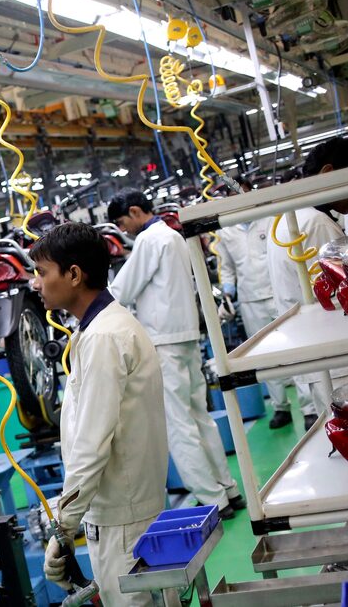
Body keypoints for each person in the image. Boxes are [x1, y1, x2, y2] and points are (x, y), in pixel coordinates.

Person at [29, 222, 166, 607]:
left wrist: (62, 527)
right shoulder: (100, 329)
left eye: (42, 272)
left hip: (122, 520)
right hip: (122, 510)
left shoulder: (105, 338)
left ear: (74, 275)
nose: (36, 283)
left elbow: (92, 444)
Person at [107, 191, 244, 519]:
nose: (123, 230)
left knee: (178, 424)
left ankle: (212, 499)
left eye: (122, 222)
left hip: (163, 341)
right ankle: (228, 489)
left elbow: (122, 290)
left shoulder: (149, 240)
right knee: (199, 415)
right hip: (186, 336)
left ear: (135, 211)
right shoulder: (173, 236)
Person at [267, 137, 348, 427]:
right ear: (328, 173)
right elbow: (343, 297)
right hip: (342, 363)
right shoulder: (315, 223)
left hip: (325, 359)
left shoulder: (296, 218)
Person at [217, 216, 306, 428]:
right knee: (263, 356)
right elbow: (227, 267)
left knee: (296, 352)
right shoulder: (225, 230)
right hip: (249, 299)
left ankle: (309, 408)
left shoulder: (271, 219)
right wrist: (227, 293)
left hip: (278, 292)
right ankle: (281, 408)